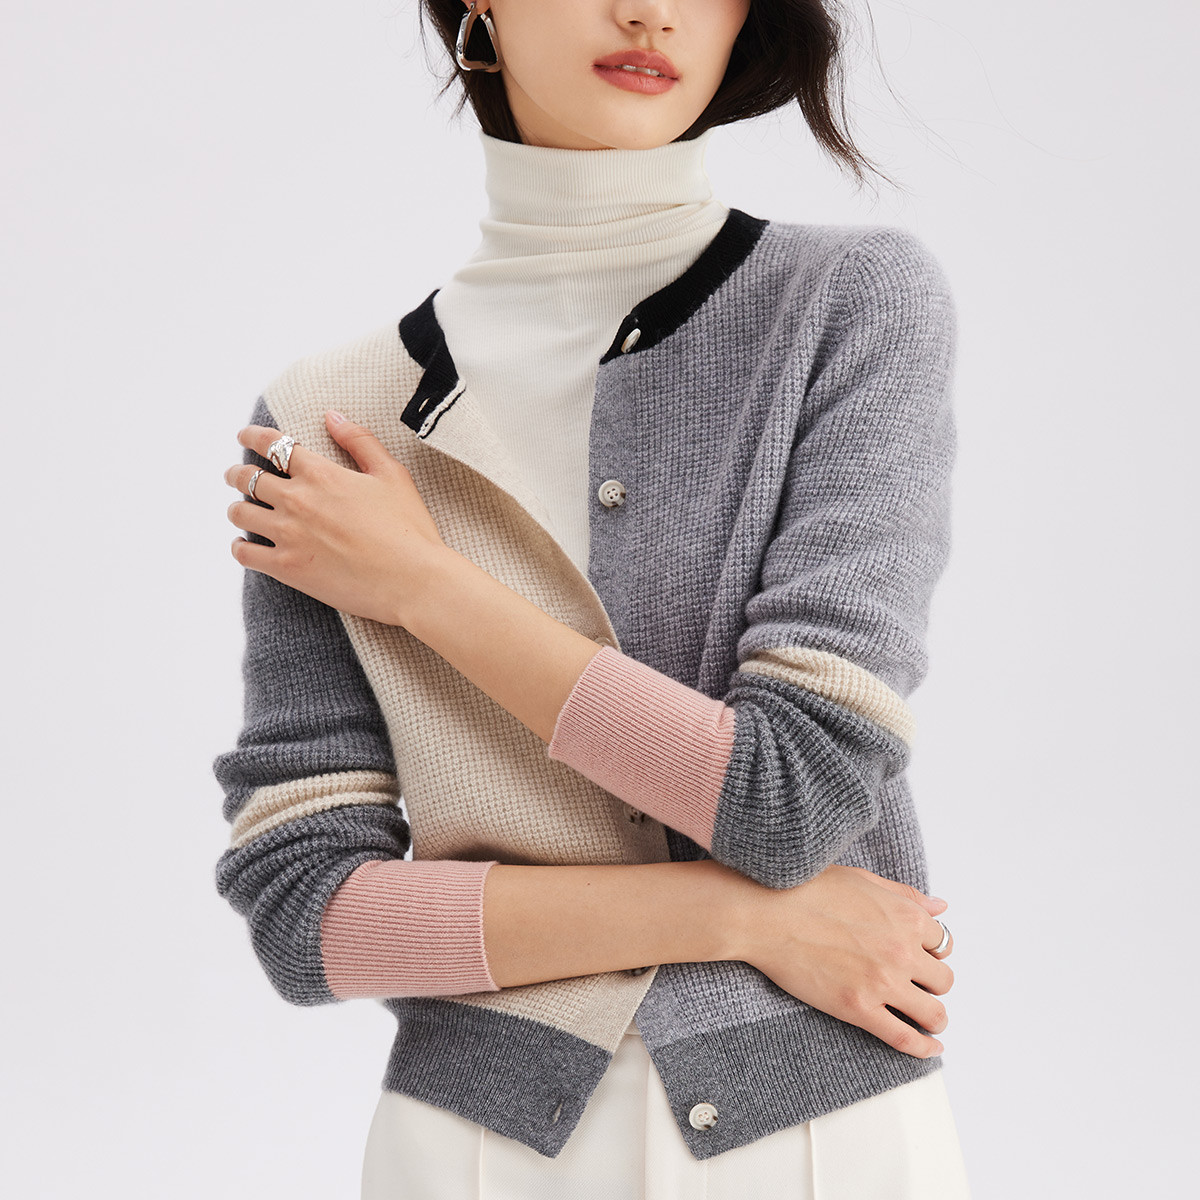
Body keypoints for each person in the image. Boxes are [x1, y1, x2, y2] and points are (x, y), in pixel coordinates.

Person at [213, 1, 973, 1195]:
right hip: (473, 1155)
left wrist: (421, 585)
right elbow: (309, 916)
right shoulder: (323, 423)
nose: (650, 11)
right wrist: (742, 920)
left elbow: (791, 799)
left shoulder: (845, 306)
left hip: (814, 1148)